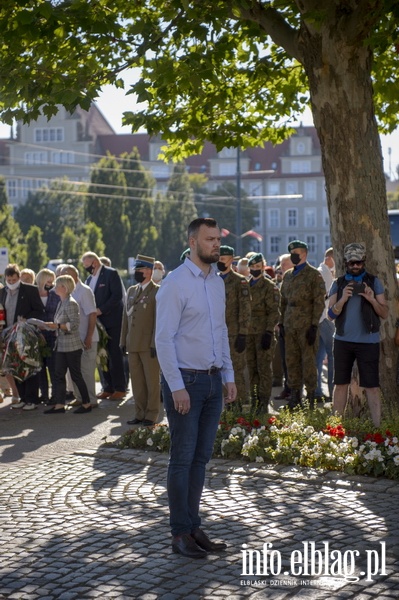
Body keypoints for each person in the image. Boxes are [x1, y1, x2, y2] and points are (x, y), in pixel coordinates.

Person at [155, 217, 236, 559]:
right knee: (183, 459)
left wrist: (228, 376)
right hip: (185, 382)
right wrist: (176, 387)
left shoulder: (217, 282)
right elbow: (163, 339)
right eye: (210, 239)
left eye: (218, 239)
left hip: (213, 380)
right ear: (192, 242)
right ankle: (179, 533)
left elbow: (220, 332)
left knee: (201, 459)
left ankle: (193, 524)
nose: (217, 244)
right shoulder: (175, 283)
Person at [328, 242, 388, 427]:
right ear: (346, 262)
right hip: (342, 341)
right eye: (352, 263)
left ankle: (377, 429)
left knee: (372, 386)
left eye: (359, 263)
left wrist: (370, 299)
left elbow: (384, 313)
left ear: (364, 262)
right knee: (340, 384)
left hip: (369, 341)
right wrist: (343, 299)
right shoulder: (338, 283)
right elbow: (330, 315)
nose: (355, 266)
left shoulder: (373, 281)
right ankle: (335, 427)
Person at [279, 241, 326, 408]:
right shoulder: (288, 275)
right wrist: (281, 323)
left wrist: (314, 325)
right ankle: (295, 397)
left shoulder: (314, 275)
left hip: (306, 326)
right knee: (291, 361)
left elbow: (319, 301)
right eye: (291, 252)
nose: (293, 255)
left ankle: (312, 396)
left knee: (308, 362)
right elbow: (283, 301)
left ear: (304, 254)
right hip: (290, 324)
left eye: (296, 252)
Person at [43, 275, 92, 414]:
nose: (54, 287)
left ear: (64, 287)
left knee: (76, 375)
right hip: (61, 345)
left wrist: (57, 325)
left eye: (57, 285)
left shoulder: (71, 302)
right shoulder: (61, 302)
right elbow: (61, 324)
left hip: (72, 345)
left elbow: (74, 325)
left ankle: (87, 403)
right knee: (59, 374)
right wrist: (50, 326)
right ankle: (59, 404)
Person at [121, 254, 160, 427]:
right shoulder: (131, 291)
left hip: (148, 345)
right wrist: (123, 341)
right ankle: (139, 412)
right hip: (133, 344)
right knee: (136, 381)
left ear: (149, 271)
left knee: (151, 382)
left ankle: (151, 414)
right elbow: (125, 319)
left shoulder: (157, 291)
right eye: (136, 269)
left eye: (140, 269)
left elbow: (158, 320)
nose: (137, 272)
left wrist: (154, 343)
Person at [81, 251, 126, 400]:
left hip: (112, 322)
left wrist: (101, 310)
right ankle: (108, 387)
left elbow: (117, 296)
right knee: (102, 355)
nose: (86, 268)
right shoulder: (88, 279)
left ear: (94, 262)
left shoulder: (111, 274)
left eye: (87, 265)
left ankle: (120, 388)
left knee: (114, 355)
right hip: (98, 325)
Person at [0, 263, 45, 411]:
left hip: (26, 335)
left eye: (14, 280)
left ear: (19, 278)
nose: (11, 283)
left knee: (29, 365)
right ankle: (22, 397)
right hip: (9, 336)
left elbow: (39, 310)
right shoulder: (3, 292)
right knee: (15, 366)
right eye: (9, 280)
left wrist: (26, 319)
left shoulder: (30, 290)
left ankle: (32, 399)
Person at [217, 245, 251, 408]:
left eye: (222, 259)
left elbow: (245, 309)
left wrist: (243, 334)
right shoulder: (213, 280)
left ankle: (241, 407)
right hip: (216, 334)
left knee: (236, 371)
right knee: (219, 371)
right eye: (218, 259)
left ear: (231, 260)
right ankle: (227, 406)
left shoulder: (240, 281)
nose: (219, 262)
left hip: (234, 334)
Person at [61, 265, 99, 408]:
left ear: (75, 276)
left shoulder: (84, 291)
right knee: (75, 370)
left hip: (86, 338)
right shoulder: (69, 292)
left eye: (66, 274)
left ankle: (91, 399)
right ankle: (79, 397)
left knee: (87, 370)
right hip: (74, 340)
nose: (63, 276)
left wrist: (89, 336)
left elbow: (92, 314)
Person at [246, 252, 280, 412]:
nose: (254, 269)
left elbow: (274, 311)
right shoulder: (245, 285)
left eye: (257, 267)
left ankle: (263, 403)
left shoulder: (269, 286)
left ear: (263, 266)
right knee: (252, 368)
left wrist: (268, 332)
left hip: (263, 334)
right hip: (248, 334)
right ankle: (254, 400)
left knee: (264, 369)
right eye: (252, 267)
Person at [36, 268, 59, 404]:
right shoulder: (33, 294)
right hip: (37, 336)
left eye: (52, 281)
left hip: (52, 335)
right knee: (39, 367)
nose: (50, 284)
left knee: (53, 367)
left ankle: (55, 395)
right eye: (48, 281)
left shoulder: (55, 294)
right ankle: (43, 394)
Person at [315, 247, 335, 400]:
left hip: (321, 319)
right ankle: (332, 391)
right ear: (329, 258)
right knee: (332, 355)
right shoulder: (324, 272)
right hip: (326, 319)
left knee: (319, 357)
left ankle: (317, 391)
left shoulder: (323, 272)